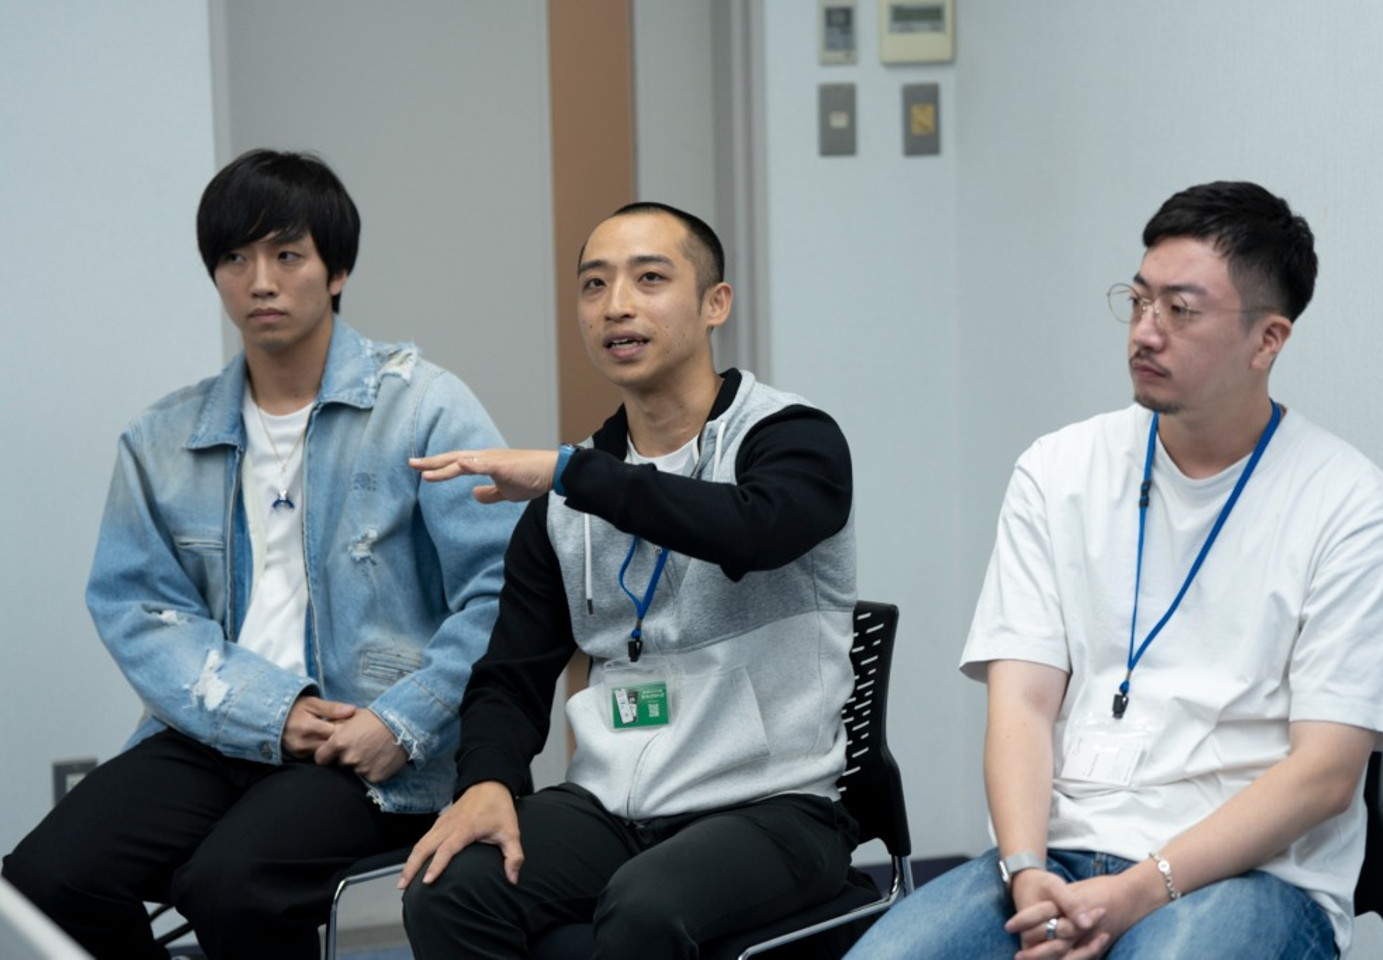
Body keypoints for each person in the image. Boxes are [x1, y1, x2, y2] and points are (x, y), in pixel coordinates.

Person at [847, 181, 1383, 960]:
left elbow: (1325, 774)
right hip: (1057, 856)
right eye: (1139, 301)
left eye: (1180, 311)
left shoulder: (1350, 506)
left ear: (1267, 340)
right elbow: (1021, 705)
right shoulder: (1058, 470)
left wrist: (1140, 891)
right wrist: (1025, 870)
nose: (1146, 333)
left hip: (1252, 877)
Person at [2, 149, 521, 960]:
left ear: (337, 271)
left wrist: (404, 720)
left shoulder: (424, 407)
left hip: (369, 743)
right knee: (42, 880)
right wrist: (270, 714)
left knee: (232, 884)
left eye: (287, 255)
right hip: (219, 731)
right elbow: (141, 608)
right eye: (236, 259)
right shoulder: (162, 439)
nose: (261, 282)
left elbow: (500, 590)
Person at [399, 201, 861, 958]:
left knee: (644, 908)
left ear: (715, 303)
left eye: (649, 279)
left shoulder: (791, 438)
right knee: (449, 886)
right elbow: (510, 675)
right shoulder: (566, 500)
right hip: (614, 806)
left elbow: (752, 529)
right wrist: (486, 782)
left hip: (776, 806)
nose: (616, 305)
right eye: (594, 285)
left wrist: (573, 474)